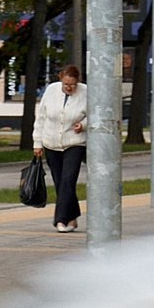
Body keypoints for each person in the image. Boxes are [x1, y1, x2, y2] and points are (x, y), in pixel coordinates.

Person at [33, 63, 88, 234]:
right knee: (60, 182)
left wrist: (84, 124)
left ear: (77, 82)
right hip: (51, 143)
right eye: (66, 84)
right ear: (60, 80)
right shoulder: (51, 90)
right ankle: (72, 216)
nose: (69, 88)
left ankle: (61, 219)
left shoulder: (86, 92)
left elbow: (96, 114)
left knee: (68, 180)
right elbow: (41, 117)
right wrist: (37, 142)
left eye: (72, 84)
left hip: (75, 142)